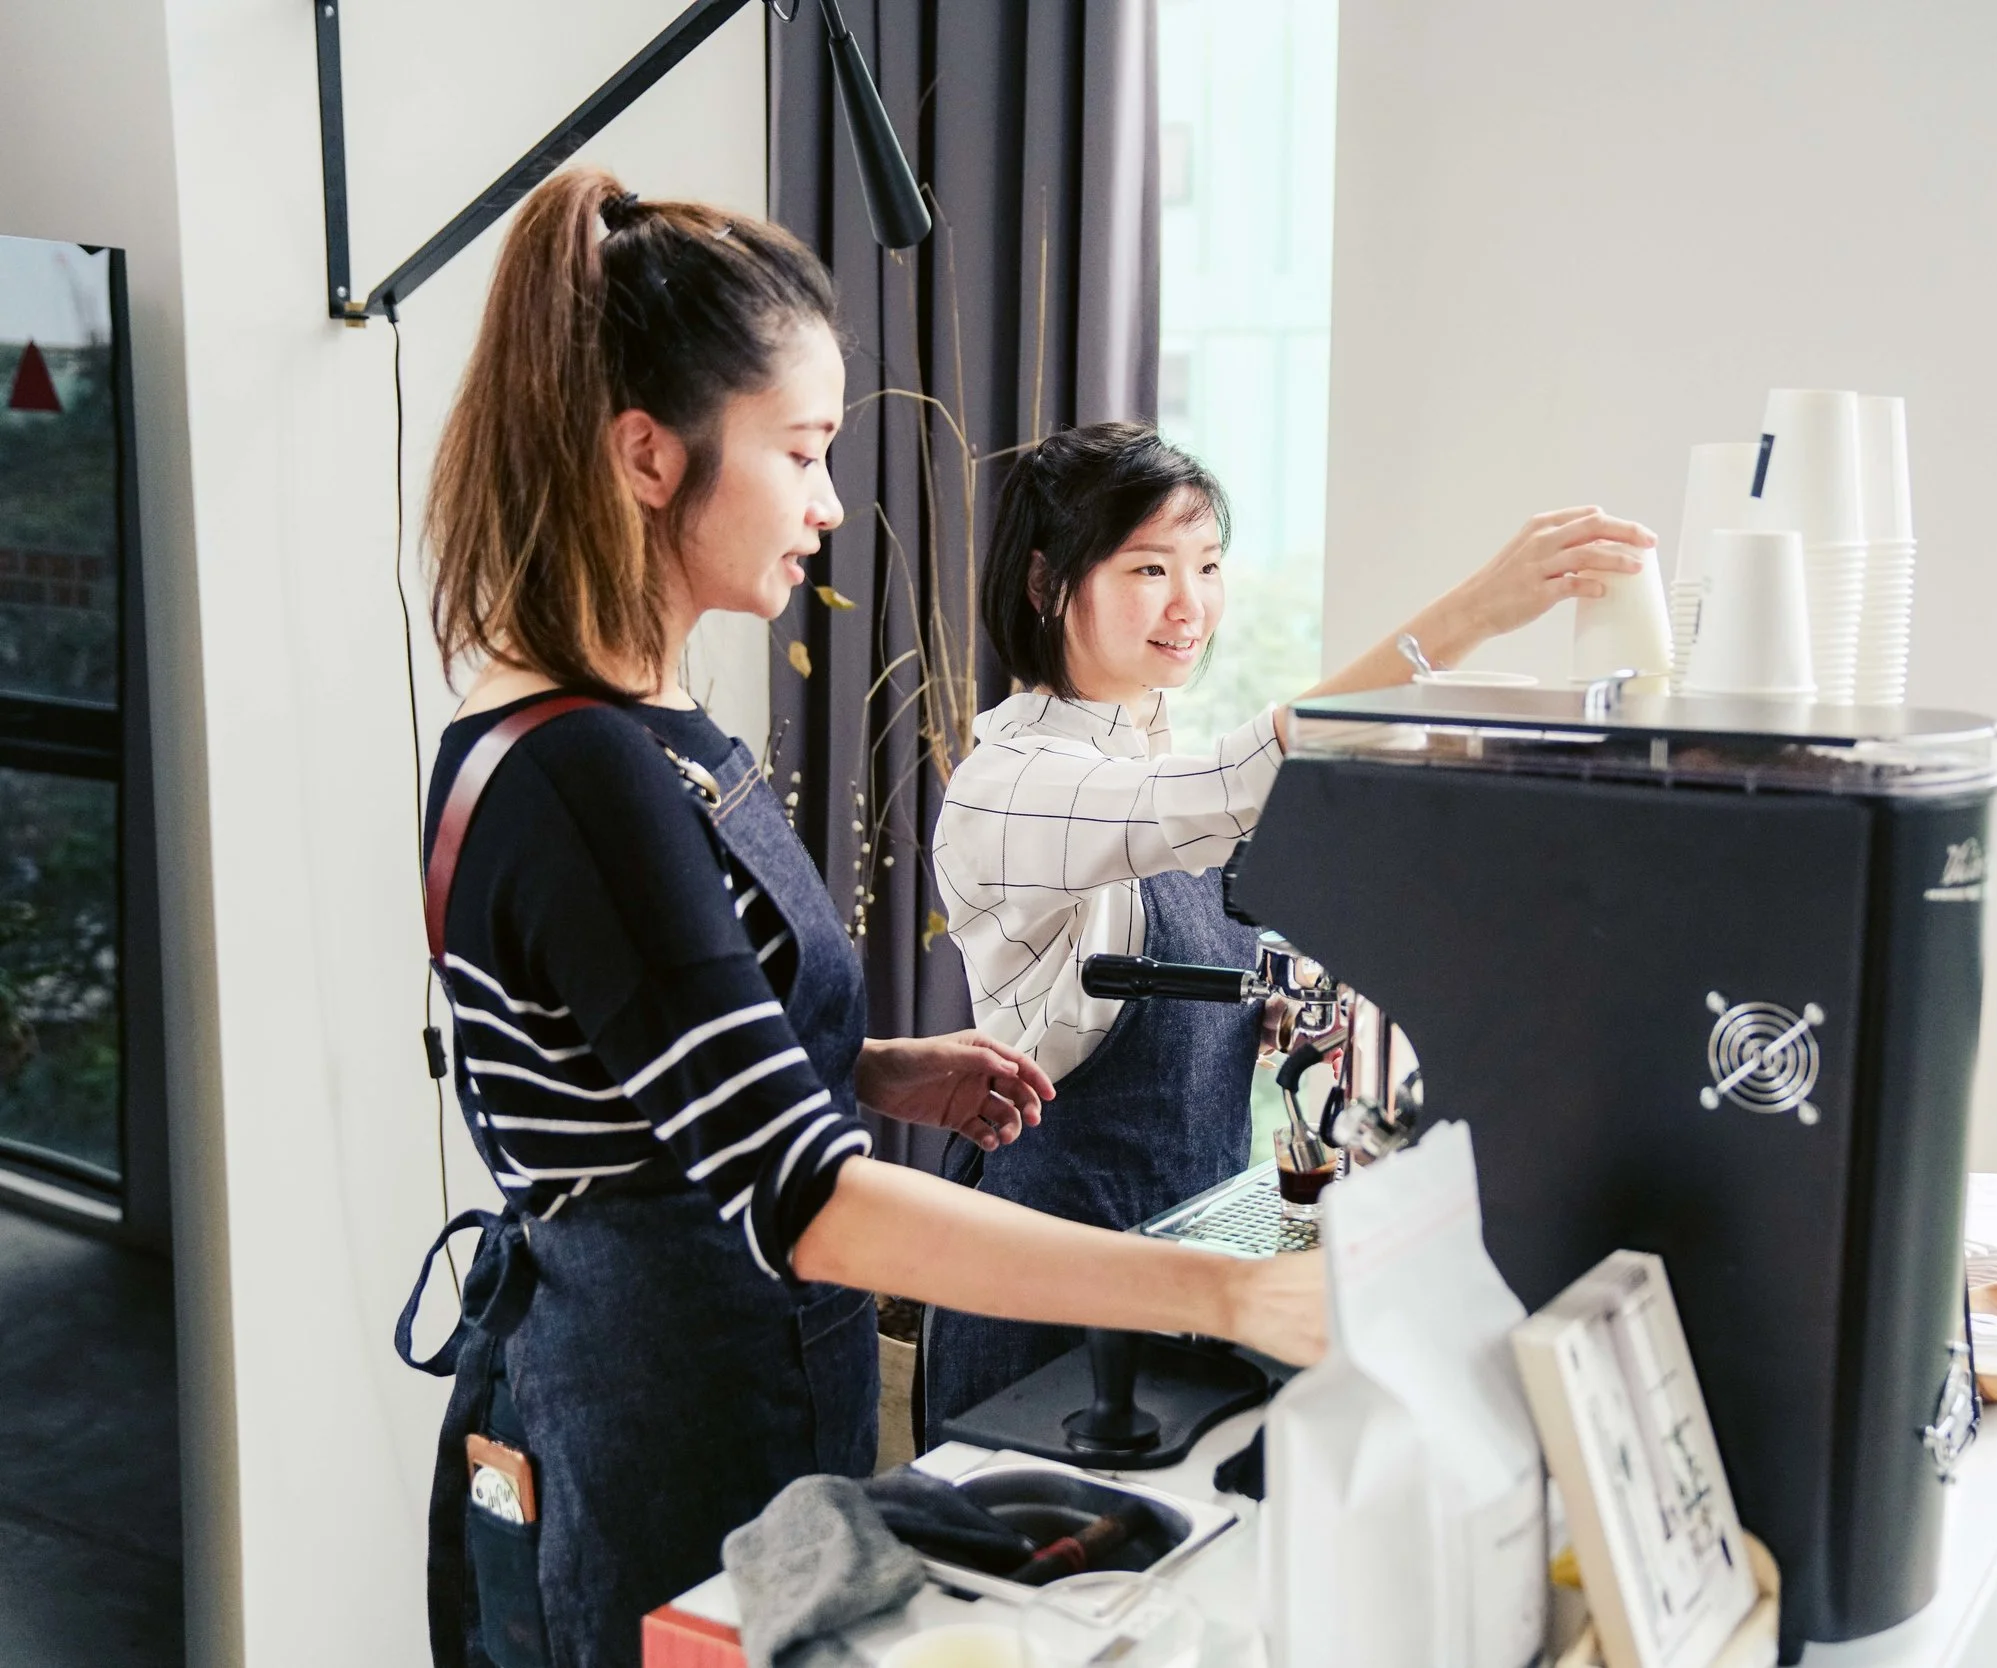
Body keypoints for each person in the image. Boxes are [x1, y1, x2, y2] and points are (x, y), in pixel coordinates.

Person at [398, 171, 1324, 1668]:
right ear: (648, 455)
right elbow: (805, 1199)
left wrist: (874, 1065)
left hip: (754, 1393)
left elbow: (650, 1061)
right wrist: (1231, 1289)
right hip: (657, 1425)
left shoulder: (644, 732)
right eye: (803, 450)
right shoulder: (583, 772)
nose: (830, 502)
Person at [921, 421, 1655, 1425]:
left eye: (1208, 565)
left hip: (1184, 1263)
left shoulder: (1147, 765)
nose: (1190, 605)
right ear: (1046, 583)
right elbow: (1239, 778)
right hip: (1046, 1275)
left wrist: (1252, 1013)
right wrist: (1474, 614)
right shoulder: (1013, 785)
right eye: (1149, 568)